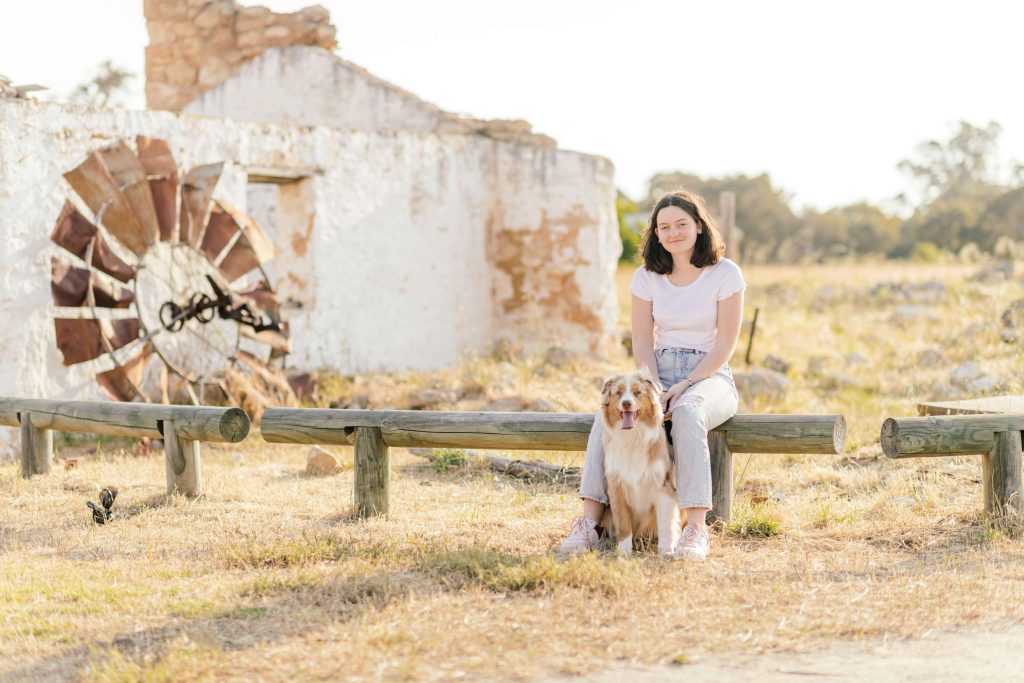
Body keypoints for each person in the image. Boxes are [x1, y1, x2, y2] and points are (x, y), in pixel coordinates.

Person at [558, 189, 745, 561]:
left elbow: (725, 345)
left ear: (698, 227)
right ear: (656, 234)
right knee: (609, 411)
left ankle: (694, 528)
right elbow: (642, 341)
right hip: (656, 370)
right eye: (664, 227)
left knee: (690, 412)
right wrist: (654, 386)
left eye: (681, 224)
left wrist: (685, 386)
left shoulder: (725, 273)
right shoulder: (647, 277)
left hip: (710, 375)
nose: (673, 232)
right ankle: (590, 522)